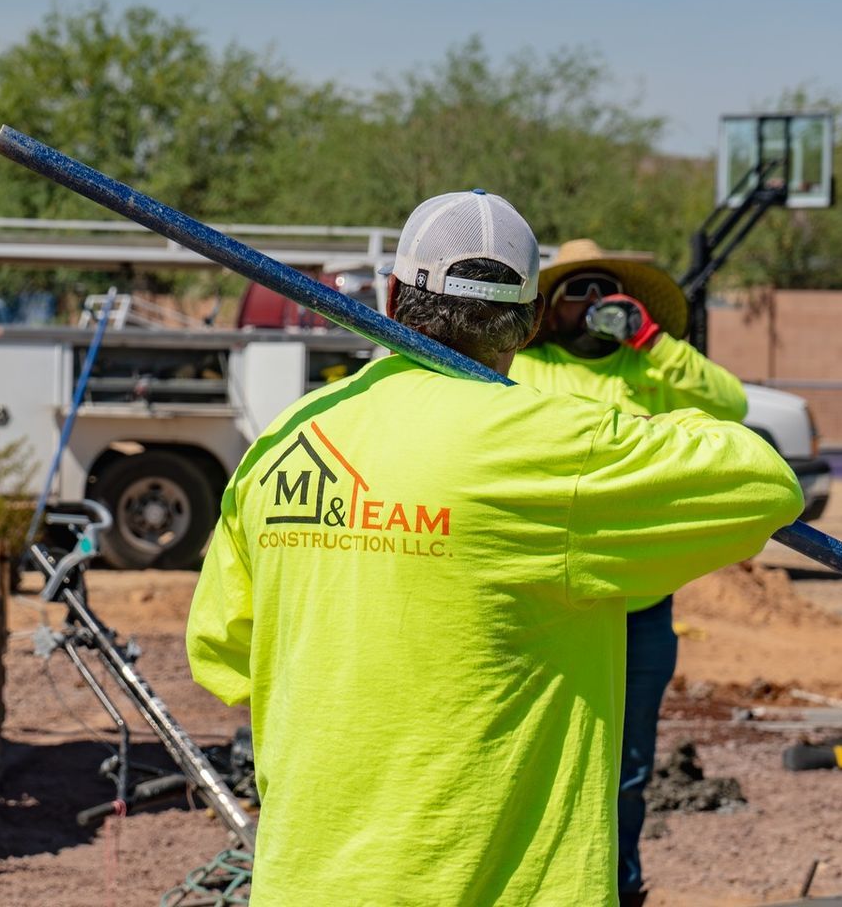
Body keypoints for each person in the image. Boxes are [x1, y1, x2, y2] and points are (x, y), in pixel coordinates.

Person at [186, 190, 801, 906]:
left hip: (310, 884)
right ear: (533, 317)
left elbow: (222, 653)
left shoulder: (286, 440)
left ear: (389, 296)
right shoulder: (555, 447)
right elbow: (763, 482)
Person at [508, 239, 749, 907]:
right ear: (547, 311)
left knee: (627, 765)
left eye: (604, 294)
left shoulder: (652, 373)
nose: (590, 307)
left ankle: (621, 887)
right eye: (575, 292)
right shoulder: (528, 370)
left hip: (639, 604)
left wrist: (653, 342)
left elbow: (732, 407)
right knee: (537, 752)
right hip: (546, 598)